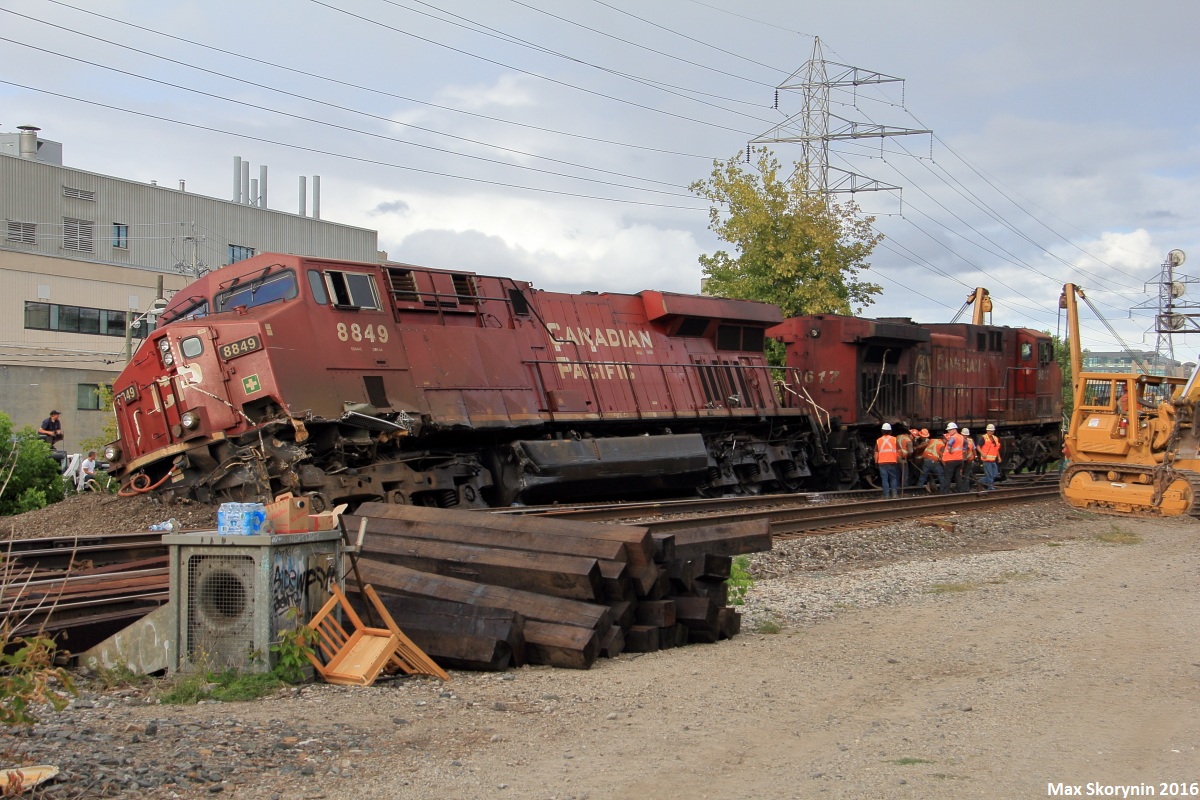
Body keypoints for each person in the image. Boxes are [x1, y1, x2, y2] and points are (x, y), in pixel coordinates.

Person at [874, 423, 901, 499]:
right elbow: (899, 451)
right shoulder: (894, 439)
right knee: (893, 478)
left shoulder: (879, 440)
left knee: (884, 479)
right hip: (892, 461)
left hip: (882, 462)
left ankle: (886, 495)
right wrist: (898, 459)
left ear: (882, 431)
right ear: (890, 431)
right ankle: (894, 494)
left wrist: (876, 462)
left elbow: (876, 453)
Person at [915, 428, 945, 493]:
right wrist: (945, 466)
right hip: (934, 462)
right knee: (941, 476)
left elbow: (921, 446)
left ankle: (917, 491)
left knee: (922, 477)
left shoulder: (932, 440)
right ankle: (943, 491)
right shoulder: (942, 445)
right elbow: (941, 457)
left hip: (926, 461)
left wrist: (916, 448)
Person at [941, 422, 965, 495]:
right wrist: (964, 449)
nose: (948, 431)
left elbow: (950, 443)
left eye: (950, 430)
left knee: (947, 477)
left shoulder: (953, 437)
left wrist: (950, 449)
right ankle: (960, 491)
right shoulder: (961, 437)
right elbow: (966, 444)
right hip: (959, 460)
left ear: (954, 429)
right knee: (958, 476)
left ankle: (945, 492)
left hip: (951, 460)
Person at [979, 424, 1002, 490]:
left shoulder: (995, 438)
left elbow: (996, 449)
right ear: (987, 431)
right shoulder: (983, 437)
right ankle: (990, 487)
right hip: (986, 460)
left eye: (992, 431)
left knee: (995, 474)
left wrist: (999, 457)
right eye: (989, 431)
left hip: (993, 460)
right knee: (989, 475)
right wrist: (982, 453)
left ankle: (981, 481)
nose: (990, 432)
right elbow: (978, 446)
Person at [895, 424, 914, 495]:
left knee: (897, 475)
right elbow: (910, 452)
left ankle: (896, 490)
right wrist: (909, 457)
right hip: (903, 460)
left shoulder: (898, 436)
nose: (913, 439)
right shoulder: (908, 440)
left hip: (895, 458)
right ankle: (904, 490)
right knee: (905, 475)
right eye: (913, 437)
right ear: (910, 435)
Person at [958, 428, 977, 492]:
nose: (965, 436)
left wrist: (976, 456)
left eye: (966, 435)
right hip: (962, 461)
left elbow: (974, 449)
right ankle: (964, 489)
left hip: (969, 461)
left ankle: (965, 489)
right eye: (964, 435)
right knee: (965, 475)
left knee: (967, 475)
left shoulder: (970, 441)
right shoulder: (959, 441)